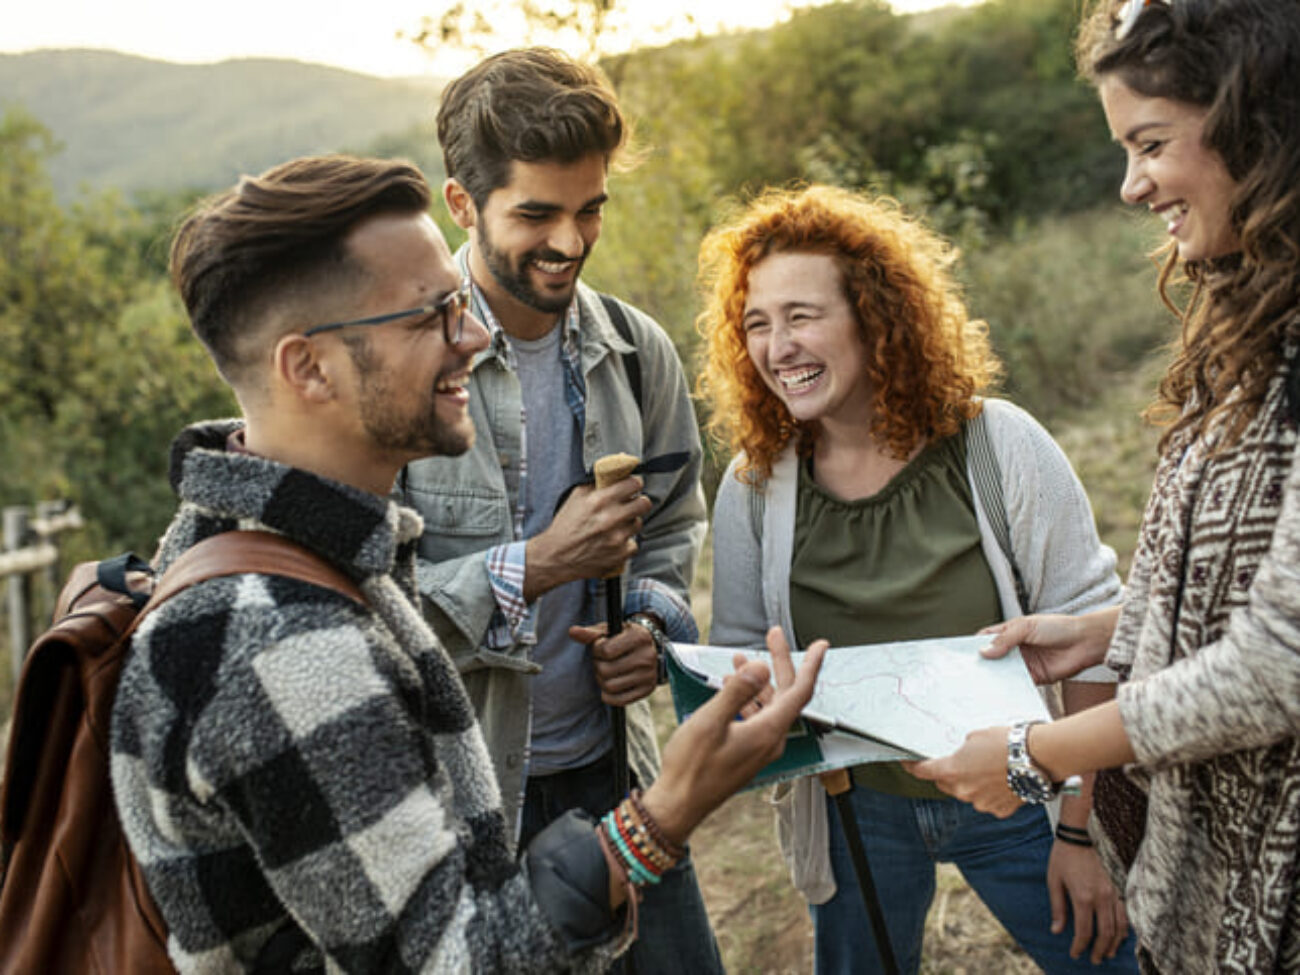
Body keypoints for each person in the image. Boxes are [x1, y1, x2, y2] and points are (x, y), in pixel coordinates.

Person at [108, 153, 825, 973]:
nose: (477, 336)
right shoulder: (279, 642)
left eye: (460, 304)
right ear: (308, 367)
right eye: (431, 317)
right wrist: (663, 814)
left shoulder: (308, 549)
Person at [909, 1, 1300, 972]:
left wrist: (1031, 755)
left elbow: (1276, 667)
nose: (1130, 186)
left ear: (1261, 122)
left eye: (1150, 143)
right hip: (1211, 878)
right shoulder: (1246, 318)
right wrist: (1110, 632)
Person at [696, 184, 1140, 974]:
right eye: (756, 323)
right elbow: (736, 653)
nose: (777, 346)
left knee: (1112, 962)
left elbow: (1094, 636)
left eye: (801, 315)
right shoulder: (754, 484)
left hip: (1022, 790)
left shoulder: (998, 444)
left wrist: (1083, 830)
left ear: (875, 313)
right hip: (853, 810)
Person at [394, 48, 720, 973]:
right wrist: (537, 564)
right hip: (461, 796)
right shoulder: (404, 367)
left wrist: (653, 625)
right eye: (536, 213)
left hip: (617, 774)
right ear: (462, 203)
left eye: (590, 210)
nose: (570, 242)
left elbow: (670, 528)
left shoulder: (637, 350)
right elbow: (361, 606)